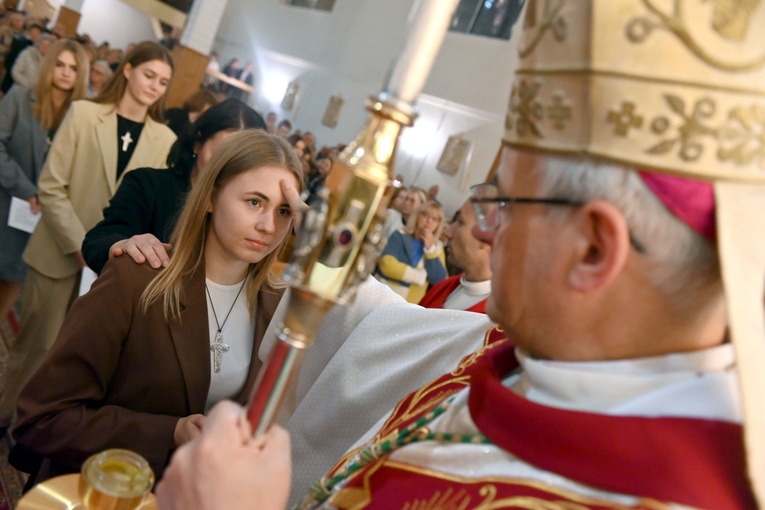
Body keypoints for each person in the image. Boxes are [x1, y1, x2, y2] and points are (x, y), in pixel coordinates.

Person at [155, 1, 765, 508]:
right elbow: (393, 327)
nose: (488, 232)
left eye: (504, 204)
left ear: (593, 250)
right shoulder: (536, 359)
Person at [11, 129, 304, 484]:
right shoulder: (137, 278)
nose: (268, 225)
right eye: (254, 202)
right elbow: (41, 418)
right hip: (103, 491)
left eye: (284, 211)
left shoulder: (277, 306)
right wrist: (170, 433)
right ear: (211, 197)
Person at [0, 41, 177, 433]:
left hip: (111, 265)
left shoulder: (164, 139)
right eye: (149, 75)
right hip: (60, 250)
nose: (154, 86)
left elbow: (145, 209)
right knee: (36, 345)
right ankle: (6, 412)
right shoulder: (84, 113)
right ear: (127, 70)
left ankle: (38, 426)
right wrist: (84, 244)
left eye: (163, 82)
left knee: (78, 354)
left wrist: (107, 251)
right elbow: (51, 185)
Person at [83, 98, 266, 274]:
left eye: (238, 163)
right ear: (198, 143)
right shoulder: (147, 184)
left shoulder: (249, 211)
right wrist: (124, 245)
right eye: (218, 156)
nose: (223, 169)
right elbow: (99, 239)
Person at [0, 39, 89, 330]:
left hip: (41, 217)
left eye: (73, 68)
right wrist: (26, 189)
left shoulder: (81, 116)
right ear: (50, 66)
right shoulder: (20, 96)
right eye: (60, 65)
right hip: (7, 199)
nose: (65, 73)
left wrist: (47, 198)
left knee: (15, 276)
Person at [418, 198, 491, 312]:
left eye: (461, 222)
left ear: (487, 238)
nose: (447, 232)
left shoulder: (497, 322)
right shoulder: (442, 288)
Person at [376, 200, 447, 303]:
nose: (429, 221)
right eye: (425, 215)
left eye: (434, 219)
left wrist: (430, 250)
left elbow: (439, 280)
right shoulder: (400, 234)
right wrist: (419, 277)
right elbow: (386, 264)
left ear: (438, 224)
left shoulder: (438, 247)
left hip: (408, 304)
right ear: (418, 215)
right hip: (382, 294)